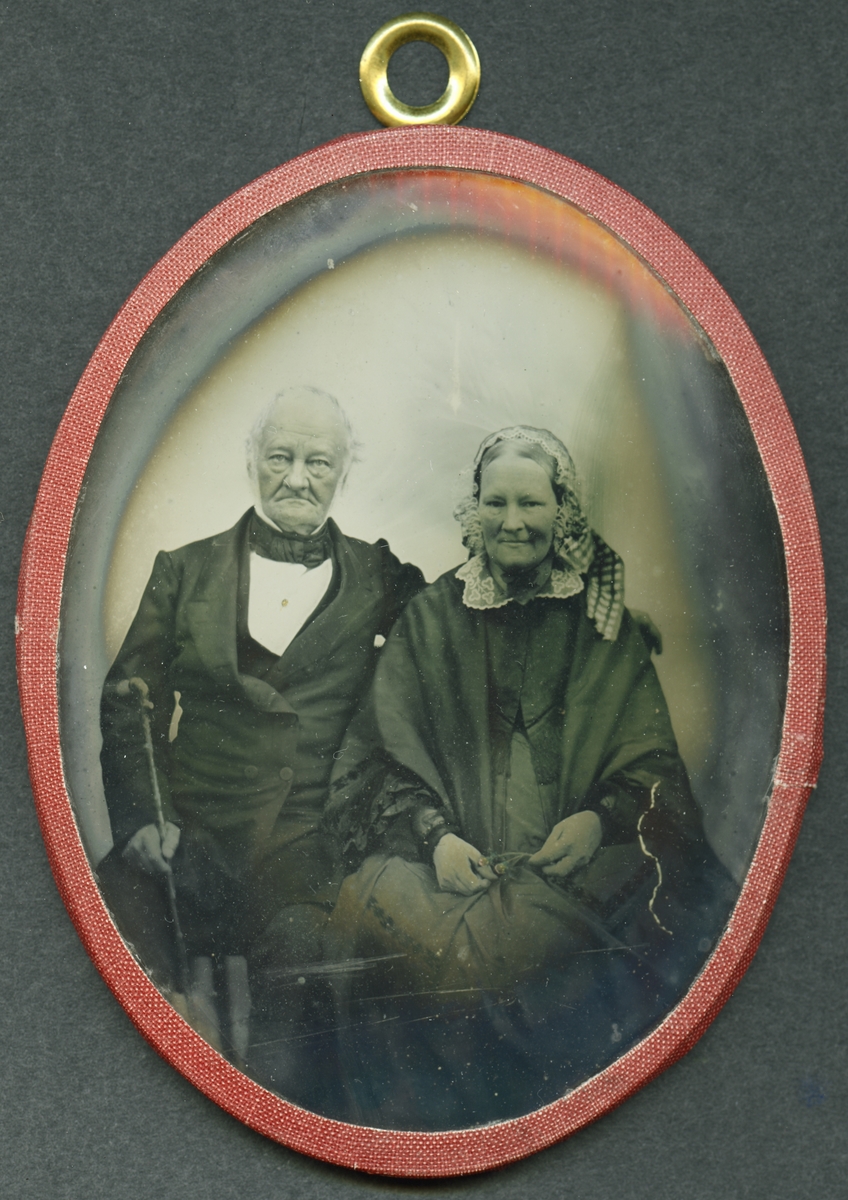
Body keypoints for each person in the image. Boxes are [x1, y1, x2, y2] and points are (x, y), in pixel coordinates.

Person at [325, 425, 735, 1129]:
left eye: (531, 503)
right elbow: (375, 759)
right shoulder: (430, 618)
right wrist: (434, 838)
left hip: (574, 867)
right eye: (497, 503)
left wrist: (599, 820)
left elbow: (653, 767)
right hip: (455, 869)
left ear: (562, 511)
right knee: (392, 928)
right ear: (475, 510)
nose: (513, 522)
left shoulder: (602, 624)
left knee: (644, 929)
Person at [96, 385, 424, 1096]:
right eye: (280, 457)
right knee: (100, 948)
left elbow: (460, 620)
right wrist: (144, 819)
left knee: (308, 1002)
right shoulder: (184, 570)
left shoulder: (380, 576)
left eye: (318, 462)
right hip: (191, 837)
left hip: (308, 849)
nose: (298, 478)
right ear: (251, 461)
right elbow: (129, 701)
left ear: (344, 473)